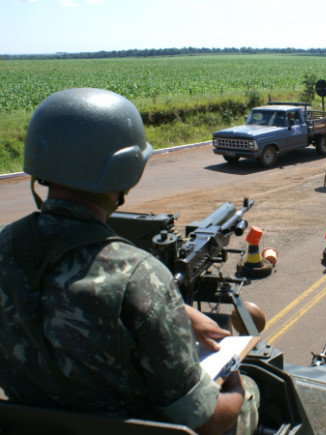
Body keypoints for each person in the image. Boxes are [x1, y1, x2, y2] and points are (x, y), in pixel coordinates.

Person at [0, 88, 258, 435]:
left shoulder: (5, 246)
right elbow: (205, 420)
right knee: (259, 391)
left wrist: (173, 311)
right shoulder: (139, 275)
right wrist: (237, 383)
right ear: (126, 170)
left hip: (27, 424)